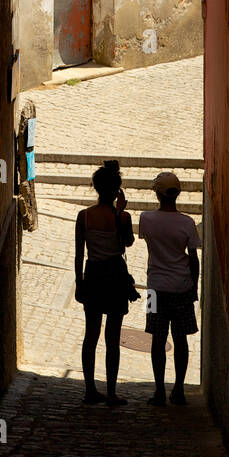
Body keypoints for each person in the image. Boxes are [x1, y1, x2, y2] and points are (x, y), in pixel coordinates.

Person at [74, 159, 135, 407]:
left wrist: (79, 283)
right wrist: (120, 212)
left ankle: (90, 389)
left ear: (96, 188)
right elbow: (127, 244)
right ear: (117, 190)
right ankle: (111, 391)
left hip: (94, 276)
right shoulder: (123, 217)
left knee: (91, 334)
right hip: (116, 276)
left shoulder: (84, 217)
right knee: (113, 337)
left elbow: (79, 254)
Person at [138, 171, 201, 407]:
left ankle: (158, 390)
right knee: (181, 338)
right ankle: (179, 389)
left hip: (154, 287)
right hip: (182, 287)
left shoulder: (146, 219)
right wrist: (194, 285)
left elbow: (147, 240)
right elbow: (193, 259)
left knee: (157, 339)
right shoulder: (187, 223)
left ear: (157, 193)